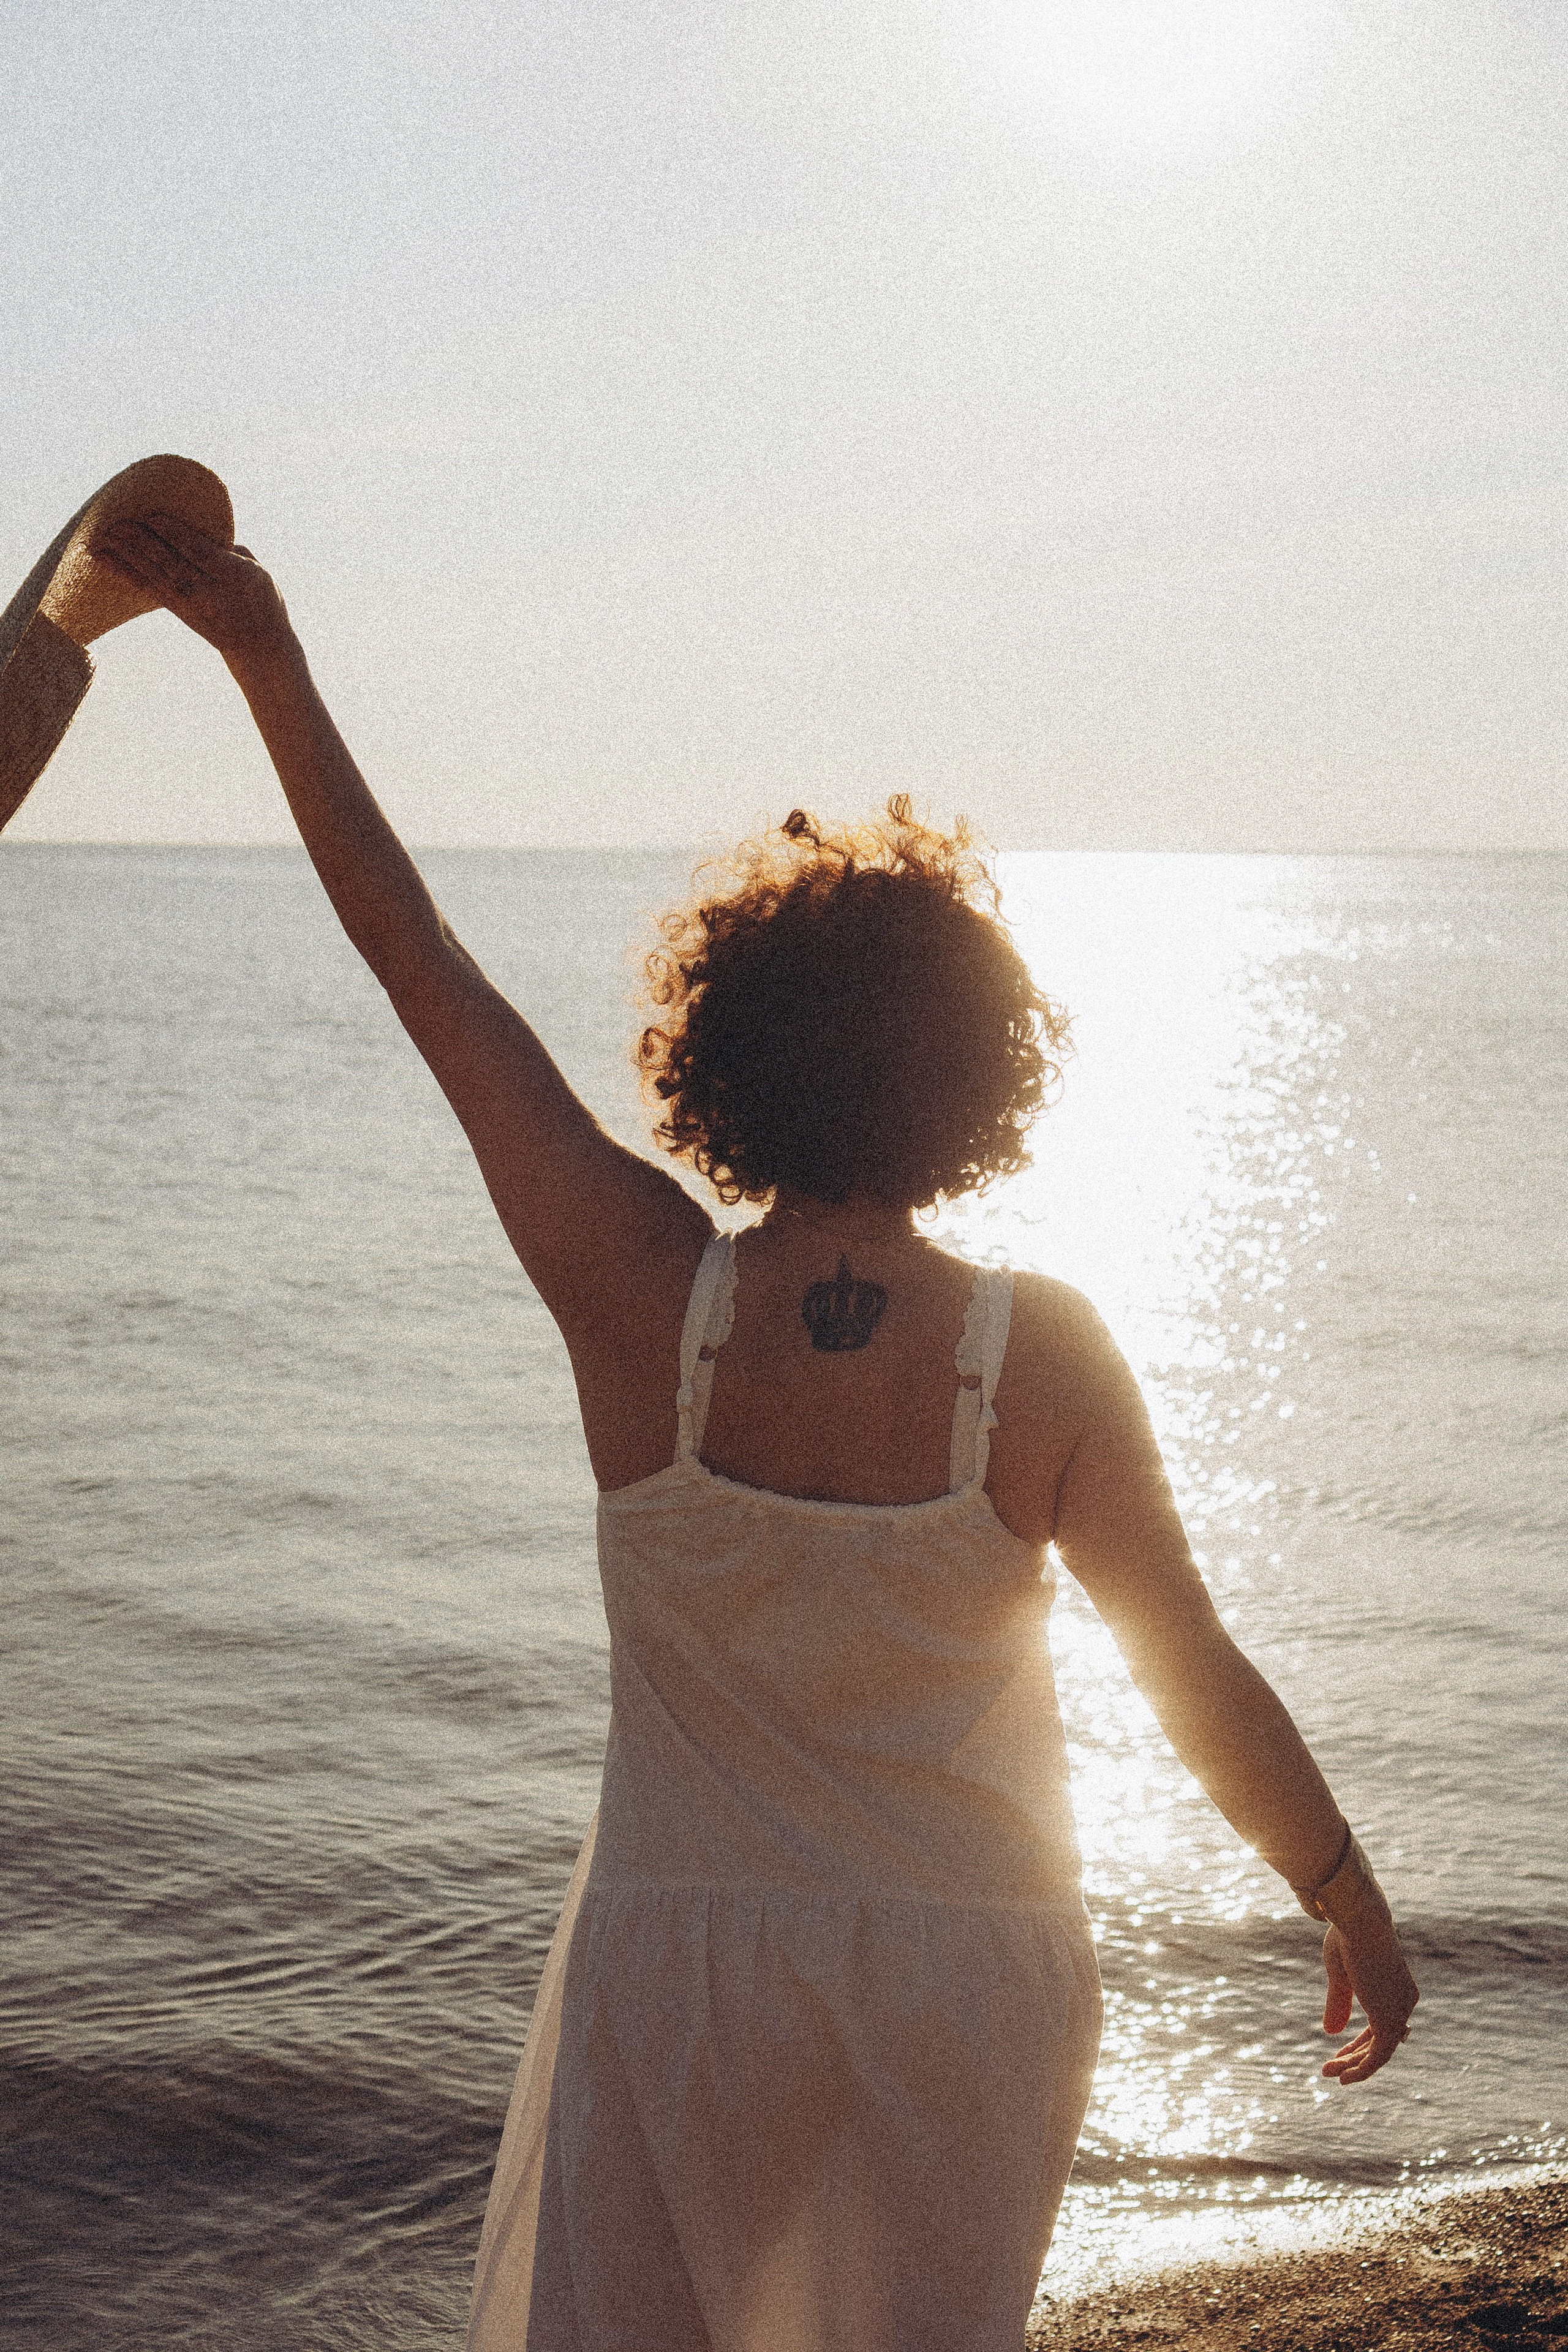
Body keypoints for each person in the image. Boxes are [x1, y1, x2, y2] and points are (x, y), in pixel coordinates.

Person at [94, 513, 1419, 2352]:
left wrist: (265, 661)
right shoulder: (1040, 1354)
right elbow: (1185, 1663)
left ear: (725, 1047)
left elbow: (422, 967)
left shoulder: (642, 1295)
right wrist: (1342, 1895)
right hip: (968, 1973)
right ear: (981, 1067)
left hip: (685, 1972)